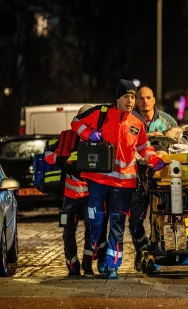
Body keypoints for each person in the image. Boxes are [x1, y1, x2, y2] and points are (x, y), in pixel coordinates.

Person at [71, 79, 165, 279]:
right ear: (117, 98)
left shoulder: (136, 123)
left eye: (133, 97)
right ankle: (96, 250)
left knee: (117, 225)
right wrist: (90, 134)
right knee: (95, 221)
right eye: (126, 97)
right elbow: (75, 123)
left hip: (124, 184)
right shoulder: (100, 113)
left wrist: (155, 158)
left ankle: (112, 266)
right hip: (97, 180)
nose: (131, 101)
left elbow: (143, 148)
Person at [45, 105, 106, 277]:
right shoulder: (67, 136)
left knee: (92, 230)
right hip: (71, 196)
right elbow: (58, 159)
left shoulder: (99, 138)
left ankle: (88, 266)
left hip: (90, 195)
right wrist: (74, 168)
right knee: (68, 231)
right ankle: (73, 267)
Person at [130, 86, 178, 271]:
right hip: (137, 177)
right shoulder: (130, 120)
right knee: (135, 219)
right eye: (140, 98)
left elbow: (179, 143)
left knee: (161, 216)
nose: (144, 101)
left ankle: (158, 248)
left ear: (154, 99)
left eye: (148, 97)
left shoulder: (167, 120)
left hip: (161, 176)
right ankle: (141, 250)